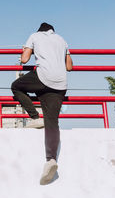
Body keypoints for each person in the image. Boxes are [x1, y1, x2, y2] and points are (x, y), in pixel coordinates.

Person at [11, 22, 73, 185]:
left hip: (43, 76)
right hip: (60, 83)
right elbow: (69, 66)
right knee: (52, 121)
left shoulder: (35, 36)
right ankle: (51, 159)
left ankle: (34, 116)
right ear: (53, 31)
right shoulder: (62, 40)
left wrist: (24, 52)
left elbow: (24, 59)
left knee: (16, 87)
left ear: (40, 30)